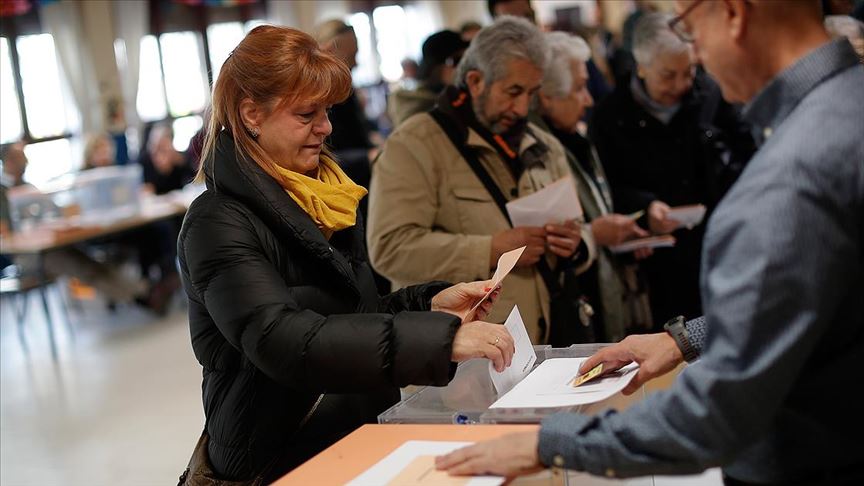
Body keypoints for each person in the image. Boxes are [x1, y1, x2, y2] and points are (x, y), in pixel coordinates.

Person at [437, 1, 864, 483]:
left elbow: (716, 414)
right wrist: (685, 339)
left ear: (733, 14)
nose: (696, 53)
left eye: (689, 25)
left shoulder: (796, 172)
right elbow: (811, 296)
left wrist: (549, 442)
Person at [176, 25, 516, 484]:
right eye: (306, 114)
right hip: (276, 462)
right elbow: (286, 340)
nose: (326, 127)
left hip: (356, 441)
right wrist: (440, 341)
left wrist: (430, 304)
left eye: (327, 111)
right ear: (251, 114)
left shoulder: (325, 198)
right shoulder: (216, 223)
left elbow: (354, 315)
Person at [368, 17, 591, 345]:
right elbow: (389, 248)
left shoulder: (545, 145)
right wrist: (488, 249)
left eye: (530, 93)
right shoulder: (414, 145)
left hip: (545, 346)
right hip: (460, 362)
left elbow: (581, 228)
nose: (520, 108)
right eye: (513, 91)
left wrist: (573, 243)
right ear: (475, 81)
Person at [590, 12, 756, 327]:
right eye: (668, 75)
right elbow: (605, 187)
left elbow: (745, 153)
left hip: (720, 245)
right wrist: (643, 206)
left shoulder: (711, 93)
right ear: (641, 65)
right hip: (656, 265)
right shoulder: (610, 116)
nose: (681, 85)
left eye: (689, 71)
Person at [535, 31, 653, 342]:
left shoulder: (578, 138)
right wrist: (595, 234)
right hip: (572, 310)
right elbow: (550, 238)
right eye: (579, 88)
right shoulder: (539, 153)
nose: (588, 99)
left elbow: (602, 201)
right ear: (546, 96)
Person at [388, 30, 468, 127]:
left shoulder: (462, 95)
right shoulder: (418, 107)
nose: (465, 66)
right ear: (436, 67)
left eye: (467, 59)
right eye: (457, 60)